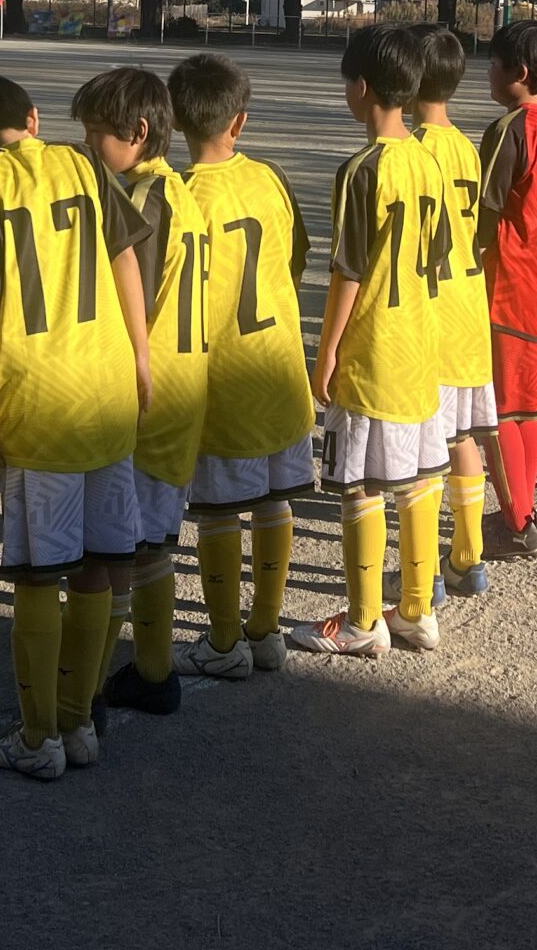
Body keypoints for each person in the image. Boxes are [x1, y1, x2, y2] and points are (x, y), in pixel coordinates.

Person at [0, 73, 152, 780]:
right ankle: (79, 721)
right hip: (107, 382)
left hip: (38, 392)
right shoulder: (83, 162)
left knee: (37, 575)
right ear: (32, 119)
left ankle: (38, 739)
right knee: (97, 566)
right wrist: (141, 355)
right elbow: (125, 256)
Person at [292, 26, 452, 657]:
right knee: (418, 478)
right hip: (422, 341)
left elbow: (349, 271)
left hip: (374, 347)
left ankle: (363, 621)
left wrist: (327, 352)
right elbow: (438, 254)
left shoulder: (362, 169)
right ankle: (417, 611)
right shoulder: (429, 161)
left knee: (360, 485)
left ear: (360, 88)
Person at [169, 54, 315, 682]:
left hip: (221, 375)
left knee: (219, 511)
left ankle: (224, 640)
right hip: (278, 366)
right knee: (275, 501)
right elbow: (297, 257)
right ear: (241, 121)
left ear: (176, 121)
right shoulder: (270, 178)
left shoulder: (181, 194)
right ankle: (266, 629)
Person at [73, 67, 210, 721]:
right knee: (150, 541)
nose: (88, 145)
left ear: (140, 131)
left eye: (97, 133)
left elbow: (136, 300)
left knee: (116, 548)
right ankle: (154, 672)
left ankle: (87, 691)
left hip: (147, 393)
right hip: (185, 385)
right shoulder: (178, 190)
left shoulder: (142, 200)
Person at [475, 19, 537, 556]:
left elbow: (486, 210)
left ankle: (518, 524)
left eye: (494, 63)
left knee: (504, 412)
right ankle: (522, 507)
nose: (488, 71)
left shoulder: (508, 128)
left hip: (512, 281)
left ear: (521, 72)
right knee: (526, 409)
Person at [408, 24, 497, 596]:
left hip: (432, 310)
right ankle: (469, 555)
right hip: (470, 305)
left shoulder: (412, 148)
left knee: (423, 448)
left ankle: (423, 577)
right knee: (463, 436)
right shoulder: (466, 144)